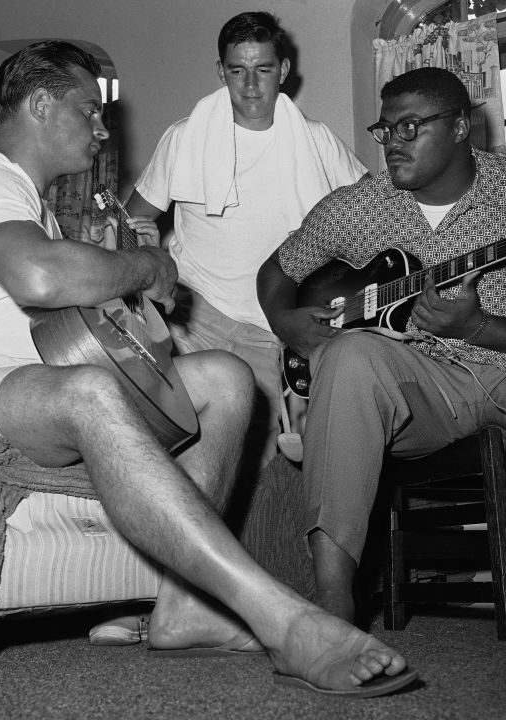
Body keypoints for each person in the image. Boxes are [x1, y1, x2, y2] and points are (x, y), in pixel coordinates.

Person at [0, 40, 418, 697]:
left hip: (35, 381)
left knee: (226, 379)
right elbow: (39, 276)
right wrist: (151, 266)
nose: (101, 127)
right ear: (39, 105)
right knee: (88, 392)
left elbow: (64, 318)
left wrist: (131, 304)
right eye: (88, 110)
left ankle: (184, 609)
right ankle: (284, 621)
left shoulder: (41, 208)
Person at [257, 66, 506, 645]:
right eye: (385, 129)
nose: (392, 142)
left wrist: (483, 326)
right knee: (351, 355)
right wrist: (289, 326)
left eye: (410, 126)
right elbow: (275, 274)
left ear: (461, 126)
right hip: (421, 391)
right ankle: (333, 602)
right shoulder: (357, 207)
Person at [124, 11, 367, 474]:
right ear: (221, 72)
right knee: (171, 450)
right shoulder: (183, 138)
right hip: (191, 318)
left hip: (270, 329)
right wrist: (139, 247)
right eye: (237, 71)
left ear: (284, 71)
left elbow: (378, 218)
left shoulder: (317, 142)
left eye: (263, 70)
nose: (250, 86)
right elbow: (133, 217)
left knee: (263, 470)